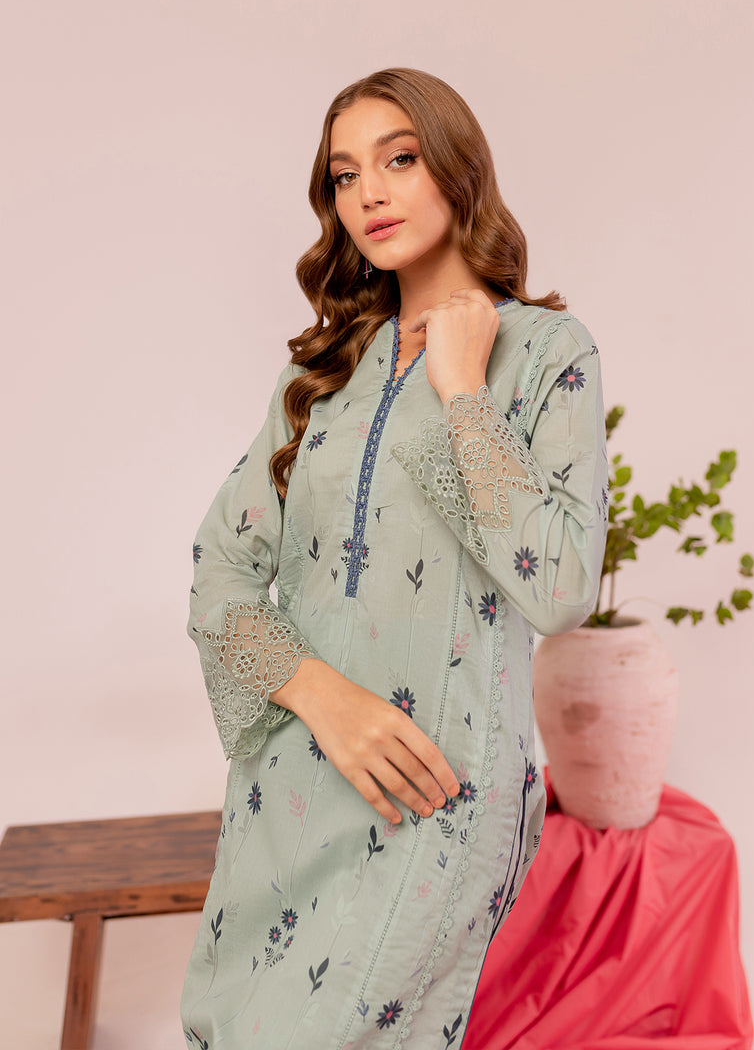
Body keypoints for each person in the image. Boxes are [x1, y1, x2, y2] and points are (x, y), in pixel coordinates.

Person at [180, 67, 608, 1049]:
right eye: (344, 175)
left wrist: (461, 391)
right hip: (292, 786)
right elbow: (220, 573)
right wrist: (324, 698)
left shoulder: (548, 353)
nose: (368, 192)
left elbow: (559, 589)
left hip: (433, 794)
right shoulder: (320, 373)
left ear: (457, 168)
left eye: (399, 159)